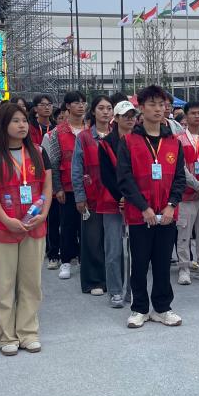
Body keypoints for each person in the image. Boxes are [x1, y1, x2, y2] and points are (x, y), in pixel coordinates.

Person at [0, 103, 52, 355]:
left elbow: (47, 187)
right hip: (2, 229)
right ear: (3, 125)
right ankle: (6, 336)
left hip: (34, 226)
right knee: (3, 285)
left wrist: (43, 214)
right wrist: (6, 220)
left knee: (31, 283)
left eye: (24, 121)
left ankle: (28, 332)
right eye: (15, 121)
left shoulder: (39, 152)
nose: (22, 125)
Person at [117, 85, 186, 329]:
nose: (158, 109)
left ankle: (162, 308)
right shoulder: (128, 141)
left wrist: (171, 206)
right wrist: (144, 207)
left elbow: (179, 178)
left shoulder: (174, 142)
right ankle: (139, 308)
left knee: (162, 263)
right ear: (141, 108)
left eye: (162, 105)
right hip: (140, 215)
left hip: (166, 214)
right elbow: (125, 179)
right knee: (139, 264)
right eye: (152, 104)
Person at [71, 95, 117, 297]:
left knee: (113, 241)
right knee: (92, 239)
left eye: (109, 108)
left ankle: (113, 279)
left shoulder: (117, 135)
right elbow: (76, 168)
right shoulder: (84, 137)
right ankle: (95, 280)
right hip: (92, 196)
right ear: (93, 111)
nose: (105, 112)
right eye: (101, 108)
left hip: (114, 196)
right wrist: (79, 196)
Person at [92, 100, 134, 307]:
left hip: (136, 202)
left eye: (132, 116)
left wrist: (133, 197)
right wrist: (121, 197)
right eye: (125, 116)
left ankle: (132, 291)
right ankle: (116, 291)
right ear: (115, 119)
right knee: (114, 250)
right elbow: (107, 176)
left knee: (135, 252)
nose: (130, 119)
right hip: (112, 201)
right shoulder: (106, 143)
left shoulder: (140, 139)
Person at [44, 91, 87, 278]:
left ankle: (86, 259)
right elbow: (53, 162)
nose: (81, 106)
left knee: (87, 228)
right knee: (68, 226)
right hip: (67, 188)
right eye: (76, 102)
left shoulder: (90, 129)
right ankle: (66, 261)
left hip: (89, 187)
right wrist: (58, 188)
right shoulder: (57, 133)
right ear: (67, 106)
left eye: (83, 102)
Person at [174, 102, 199, 285]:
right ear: (186, 116)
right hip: (186, 195)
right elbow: (179, 168)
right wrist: (198, 186)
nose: (197, 116)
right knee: (184, 232)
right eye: (193, 113)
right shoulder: (178, 140)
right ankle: (184, 267)